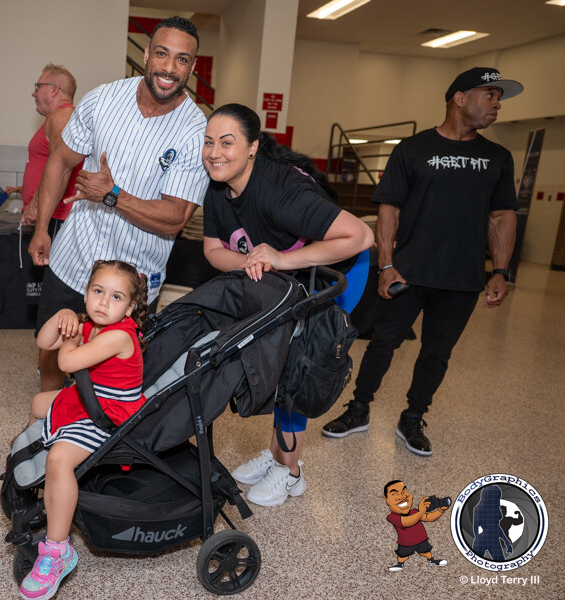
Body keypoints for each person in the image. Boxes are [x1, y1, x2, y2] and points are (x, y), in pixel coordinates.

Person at [321, 67, 521, 456]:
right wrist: (386, 265)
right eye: (489, 94)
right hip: (408, 271)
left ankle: (413, 417)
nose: (497, 104)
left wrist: (500, 271)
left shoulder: (498, 157)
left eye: (499, 97)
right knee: (382, 344)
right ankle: (358, 409)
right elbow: (389, 210)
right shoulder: (412, 149)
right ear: (460, 98)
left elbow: (501, 216)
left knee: (437, 354)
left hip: (462, 278)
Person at [201, 103, 373, 507]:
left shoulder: (280, 191)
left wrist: (280, 259)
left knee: (299, 366)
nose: (214, 153)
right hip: (290, 275)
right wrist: (253, 261)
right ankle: (277, 453)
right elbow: (212, 249)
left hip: (337, 272)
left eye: (227, 143)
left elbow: (360, 236)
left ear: (252, 147)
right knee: (279, 360)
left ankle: (291, 472)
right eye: (208, 142)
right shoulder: (217, 186)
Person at [28, 16, 209, 392]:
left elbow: (175, 217)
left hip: (133, 280)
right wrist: (43, 227)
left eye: (181, 59)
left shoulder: (195, 131)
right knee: (51, 353)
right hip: (73, 258)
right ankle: (48, 413)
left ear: (192, 67)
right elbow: (61, 161)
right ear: (146, 54)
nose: (169, 68)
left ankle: (95, 425)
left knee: (116, 376)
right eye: (162, 54)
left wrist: (112, 195)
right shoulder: (103, 99)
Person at [19, 259, 149, 600]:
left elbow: (65, 362)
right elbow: (45, 341)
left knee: (60, 458)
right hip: (90, 400)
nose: (104, 302)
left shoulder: (119, 336)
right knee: (38, 403)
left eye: (116, 297)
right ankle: (34, 473)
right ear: (86, 292)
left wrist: (72, 336)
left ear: (130, 308)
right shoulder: (92, 324)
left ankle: (57, 551)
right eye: (98, 291)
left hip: (110, 416)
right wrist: (62, 315)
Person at [5, 64, 83, 392]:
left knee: (58, 305)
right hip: (55, 218)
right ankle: (56, 371)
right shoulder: (56, 119)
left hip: (61, 219)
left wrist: (38, 207)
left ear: (54, 89)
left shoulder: (62, 116)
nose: (33, 93)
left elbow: (61, 166)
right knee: (57, 303)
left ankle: (57, 380)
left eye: (38, 86)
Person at [383, 480, 448, 572]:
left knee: (426, 551)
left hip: (421, 540)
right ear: (386, 499)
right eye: (394, 494)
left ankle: (431, 560)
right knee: (402, 554)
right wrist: (421, 512)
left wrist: (441, 510)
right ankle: (400, 564)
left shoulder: (414, 512)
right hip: (406, 543)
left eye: (404, 492)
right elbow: (407, 522)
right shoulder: (392, 517)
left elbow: (428, 517)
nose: (402, 497)